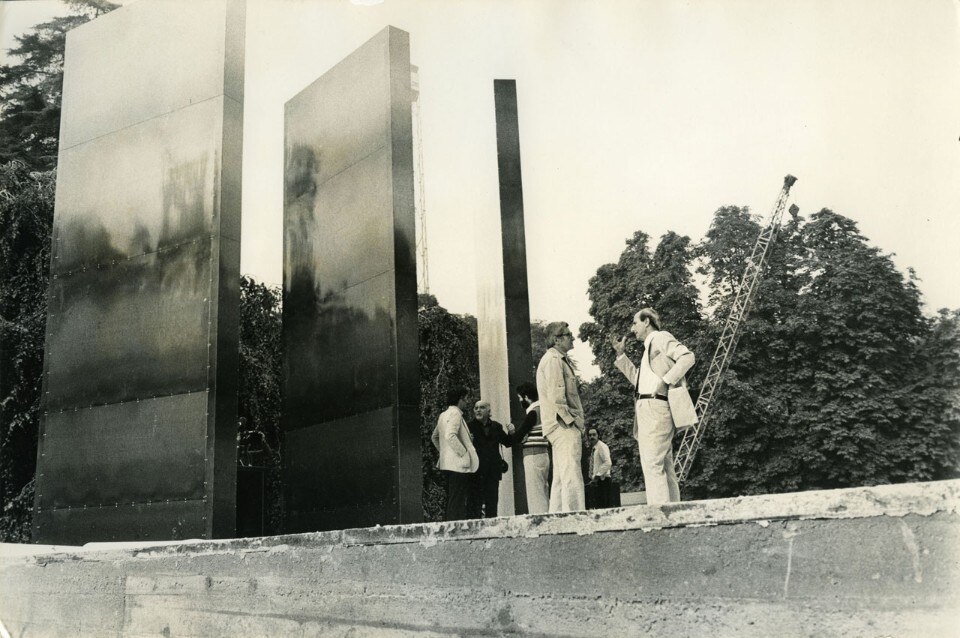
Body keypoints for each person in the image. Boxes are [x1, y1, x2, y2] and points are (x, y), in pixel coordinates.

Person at [610, 307, 695, 505]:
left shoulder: (660, 338)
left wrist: (666, 381)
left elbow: (687, 357)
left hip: (655, 408)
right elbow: (638, 380)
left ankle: (659, 516)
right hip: (649, 407)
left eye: (635, 323)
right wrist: (621, 356)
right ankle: (672, 513)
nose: (632, 329)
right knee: (664, 466)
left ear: (647, 322)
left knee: (652, 464)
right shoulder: (648, 348)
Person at [535, 321, 586, 512]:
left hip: (557, 425)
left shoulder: (554, 359)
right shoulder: (554, 360)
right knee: (571, 472)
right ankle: (575, 516)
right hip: (563, 425)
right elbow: (558, 397)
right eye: (568, 334)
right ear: (557, 339)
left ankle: (557, 517)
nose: (572, 338)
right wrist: (572, 423)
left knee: (560, 476)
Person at [431, 386, 479, 520]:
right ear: (460, 399)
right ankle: (455, 526)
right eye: (466, 399)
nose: (467, 402)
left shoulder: (443, 415)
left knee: (452, 498)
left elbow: (434, 437)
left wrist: (444, 453)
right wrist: (463, 453)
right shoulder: (456, 414)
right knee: (458, 498)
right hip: (458, 464)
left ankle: (451, 525)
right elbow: (450, 435)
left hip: (447, 464)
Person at [467, 400, 515, 518]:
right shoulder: (469, 427)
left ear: (489, 411)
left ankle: (492, 530)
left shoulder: (496, 427)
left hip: (493, 471)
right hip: (476, 471)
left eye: (481, 408)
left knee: (492, 503)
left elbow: (508, 443)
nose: (478, 410)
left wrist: (512, 432)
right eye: (476, 408)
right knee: (475, 503)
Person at [514, 381, 550, 514]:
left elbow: (518, 436)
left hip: (533, 455)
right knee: (543, 490)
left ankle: (539, 521)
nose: (519, 401)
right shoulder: (544, 409)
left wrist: (513, 433)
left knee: (535, 493)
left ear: (526, 397)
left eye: (520, 398)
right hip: (544, 453)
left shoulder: (532, 413)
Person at [585, 428, 612, 509]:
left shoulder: (601, 446)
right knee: (597, 507)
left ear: (598, 435)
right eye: (590, 435)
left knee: (603, 507)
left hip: (603, 481)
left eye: (594, 434)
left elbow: (608, 463)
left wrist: (597, 476)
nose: (592, 437)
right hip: (596, 482)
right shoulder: (594, 448)